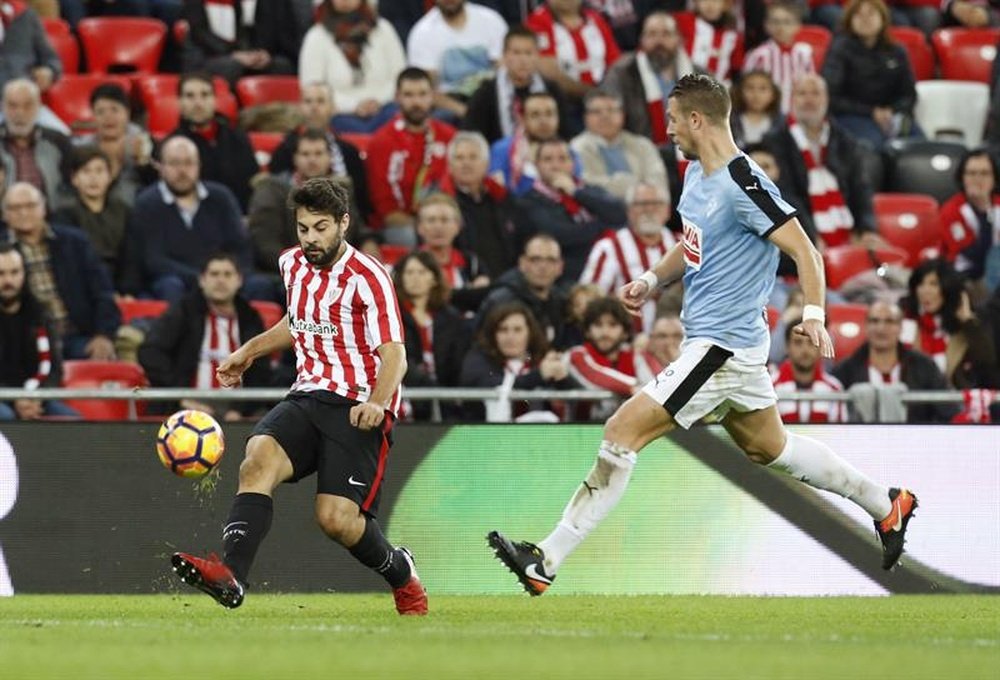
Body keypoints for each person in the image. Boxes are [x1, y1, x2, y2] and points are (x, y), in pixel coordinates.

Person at [487, 74, 918, 598]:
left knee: (622, 432)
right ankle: (885, 504)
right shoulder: (695, 175)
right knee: (770, 448)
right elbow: (692, 244)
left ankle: (547, 558)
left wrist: (814, 314)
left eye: (672, 119)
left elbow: (806, 251)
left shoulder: (743, 182)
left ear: (696, 119)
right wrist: (651, 278)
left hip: (722, 347)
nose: (667, 130)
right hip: (721, 346)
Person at [169, 177, 428, 616]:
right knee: (258, 458)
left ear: (343, 223)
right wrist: (247, 352)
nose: (311, 238)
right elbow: (298, 320)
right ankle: (231, 576)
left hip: (356, 407)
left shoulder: (370, 279)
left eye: (321, 227)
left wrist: (377, 403)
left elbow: (395, 356)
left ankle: (401, 572)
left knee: (336, 520)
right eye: (304, 228)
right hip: (307, 395)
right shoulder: (292, 264)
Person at [138, 252, 272, 421]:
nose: (220, 280)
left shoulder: (250, 318)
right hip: (188, 403)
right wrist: (181, 398)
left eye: (227, 274)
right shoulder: (184, 311)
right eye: (214, 274)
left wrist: (242, 411)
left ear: (239, 280)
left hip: (238, 405)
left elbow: (261, 370)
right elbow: (150, 352)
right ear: (202, 280)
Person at [1, 182, 120, 359]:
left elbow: (102, 292)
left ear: (44, 208)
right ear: (4, 215)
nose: (24, 213)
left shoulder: (75, 243)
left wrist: (103, 336)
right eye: (15, 208)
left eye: (30, 206)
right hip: (22, 341)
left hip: (77, 337)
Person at [364, 67, 456, 243]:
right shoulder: (381, 142)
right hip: (399, 225)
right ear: (397, 97)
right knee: (406, 235)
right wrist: (424, 226)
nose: (416, 102)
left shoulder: (450, 136)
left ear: (432, 96)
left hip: (443, 218)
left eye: (422, 94)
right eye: (409, 95)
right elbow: (385, 208)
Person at [516, 138, 627, 282]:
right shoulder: (529, 200)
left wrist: (576, 193)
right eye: (548, 159)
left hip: (607, 267)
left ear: (573, 163)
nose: (556, 165)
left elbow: (620, 214)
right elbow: (560, 235)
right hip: (567, 275)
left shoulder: (587, 190)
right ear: (536, 165)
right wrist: (602, 225)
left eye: (563, 159)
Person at [833, 299, 960, 423]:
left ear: (901, 328)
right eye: (874, 321)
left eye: (889, 321)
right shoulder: (845, 370)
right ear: (866, 326)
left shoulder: (925, 366)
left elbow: (950, 410)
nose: (881, 328)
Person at [579, 181, 677, 334]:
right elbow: (587, 302)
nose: (649, 209)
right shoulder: (608, 248)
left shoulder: (684, 245)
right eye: (641, 204)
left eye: (656, 203)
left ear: (668, 211)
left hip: (682, 341)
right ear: (629, 211)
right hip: (626, 344)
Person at [821, 0, 919, 150]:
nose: (865, 19)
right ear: (849, 20)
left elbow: (909, 94)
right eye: (859, 15)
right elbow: (832, 97)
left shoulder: (897, 51)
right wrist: (871, 112)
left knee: (919, 146)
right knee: (875, 147)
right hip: (852, 116)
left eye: (871, 13)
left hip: (893, 116)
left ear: (883, 18)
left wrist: (892, 111)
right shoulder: (839, 50)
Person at [299, 0, 407, 135]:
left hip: (385, 108)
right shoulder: (316, 36)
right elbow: (312, 87)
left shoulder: (384, 30)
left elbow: (400, 76)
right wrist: (354, 106)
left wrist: (378, 102)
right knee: (349, 127)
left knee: (396, 117)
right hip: (339, 113)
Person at [460, 300, 575, 422]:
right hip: (490, 437)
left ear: (530, 332)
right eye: (503, 330)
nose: (510, 337)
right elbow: (492, 386)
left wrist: (562, 378)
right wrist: (539, 375)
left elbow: (575, 397)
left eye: (518, 330)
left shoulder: (541, 357)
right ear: (493, 334)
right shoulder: (479, 358)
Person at [0, 242, 78, 420]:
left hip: (35, 396)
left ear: (24, 274)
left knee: (72, 421)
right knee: (5, 416)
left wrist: (36, 397)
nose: (8, 281)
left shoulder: (40, 314)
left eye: (14, 272)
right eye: (1, 274)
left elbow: (54, 368)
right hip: (2, 397)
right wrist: (14, 400)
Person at [898, 259, 1000, 390]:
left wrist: (968, 322)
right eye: (921, 284)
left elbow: (987, 363)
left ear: (947, 287)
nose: (925, 291)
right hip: (913, 401)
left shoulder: (967, 327)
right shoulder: (904, 323)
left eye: (933, 284)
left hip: (956, 403)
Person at [462, 25, 572, 145]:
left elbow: (565, 134)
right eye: (516, 53)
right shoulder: (486, 93)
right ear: (504, 56)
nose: (523, 60)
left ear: (537, 56)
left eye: (528, 53)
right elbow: (472, 137)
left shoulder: (552, 91)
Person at [392, 250, 468, 420]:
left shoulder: (451, 318)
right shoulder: (392, 315)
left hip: (445, 396)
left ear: (434, 278)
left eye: (422, 272)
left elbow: (458, 361)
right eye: (409, 272)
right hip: (407, 392)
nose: (415, 278)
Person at [405, 0, 508, 124]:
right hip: (451, 104)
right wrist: (465, 111)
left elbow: (505, 72)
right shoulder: (422, 33)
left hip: (492, 97)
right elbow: (426, 91)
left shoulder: (491, 21)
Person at [169, 72, 259, 212]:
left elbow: (252, 182)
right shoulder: (171, 146)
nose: (198, 103)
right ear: (179, 102)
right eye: (190, 96)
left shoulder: (238, 137)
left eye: (205, 95)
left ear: (214, 100)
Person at [570, 89, 669, 201]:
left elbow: (659, 182)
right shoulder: (576, 147)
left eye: (611, 110)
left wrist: (620, 185)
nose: (605, 116)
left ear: (622, 115)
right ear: (586, 117)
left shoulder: (643, 145)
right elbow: (587, 185)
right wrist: (636, 185)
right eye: (597, 111)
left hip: (647, 207)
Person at [476, 233, 571, 349]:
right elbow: (484, 349)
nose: (543, 267)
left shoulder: (561, 302)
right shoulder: (501, 301)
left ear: (560, 267)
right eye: (535, 259)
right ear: (522, 264)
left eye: (551, 260)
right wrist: (535, 365)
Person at [73, 83, 155, 207]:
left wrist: (142, 162)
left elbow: (154, 182)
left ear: (127, 113)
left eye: (114, 110)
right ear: (93, 116)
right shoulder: (83, 147)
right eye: (100, 112)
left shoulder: (143, 142)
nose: (108, 117)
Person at [939, 148, 1000, 296]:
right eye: (972, 173)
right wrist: (984, 208)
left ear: (994, 178)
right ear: (962, 177)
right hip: (966, 277)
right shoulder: (951, 210)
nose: (978, 179)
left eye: (985, 173)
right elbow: (975, 255)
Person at [741, 0, 816, 115]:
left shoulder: (804, 54)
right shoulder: (758, 55)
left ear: (798, 26)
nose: (781, 27)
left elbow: (810, 86)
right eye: (775, 22)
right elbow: (746, 88)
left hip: (796, 115)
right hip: (766, 115)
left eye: (787, 22)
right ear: (766, 25)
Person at [771, 316, 848, 423]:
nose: (805, 350)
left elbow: (839, 435)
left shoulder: (834, 389)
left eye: (812, 342)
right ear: (787, 347)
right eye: (798, 342)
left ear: (820, 346)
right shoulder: (770, 388)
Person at [730, 71, 782, 149]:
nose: (756, 94)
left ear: (773, 94)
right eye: (750, 88)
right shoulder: (731, 120)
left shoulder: (781, 123)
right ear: (740, 92)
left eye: (763, 89)